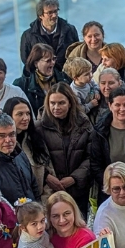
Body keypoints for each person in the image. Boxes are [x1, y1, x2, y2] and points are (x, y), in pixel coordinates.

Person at [38, 82, 92, 214]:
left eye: (61, 103)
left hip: (78, 190)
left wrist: (74, 178)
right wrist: (46, 176)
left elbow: (91, 156)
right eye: (52, 103)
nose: (56, 107)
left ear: (70, 102)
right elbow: (34, 158)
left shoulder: (83, 124)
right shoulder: (39, 127)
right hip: (50, 190)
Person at [4, 96, 52, 201]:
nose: (26, 118)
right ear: (9, 116)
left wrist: (43, 204)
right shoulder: (4, 146)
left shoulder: (36, 140)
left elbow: (50, 172)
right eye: (20, 114)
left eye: (28, 113)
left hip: (40, 204)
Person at [19, 0, 79, 66]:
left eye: (56, 11)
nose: (54, 15)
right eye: (50, 13)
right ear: (40, 15)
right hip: (41, 76)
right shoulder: (28, 36)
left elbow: (77, 54)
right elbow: (27, 61)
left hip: (65, 74)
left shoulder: (70, 30)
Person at [13, 44, 60, 115]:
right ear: (36, 63)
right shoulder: (21, 85)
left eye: (54, 59)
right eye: (48, 60)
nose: (53, 63)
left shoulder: (63, 78)